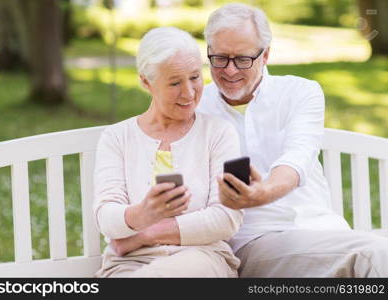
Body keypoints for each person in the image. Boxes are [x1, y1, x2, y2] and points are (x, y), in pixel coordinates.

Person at [197, 3, 388, 277]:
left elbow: (296, 159)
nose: (229, 70)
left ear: (265, 56)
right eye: (219, 58)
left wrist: (263, 192)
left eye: (242, 59)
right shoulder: (196, 107)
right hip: (256, 240)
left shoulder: (300, 92)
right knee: (376, 255)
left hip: (325, 232)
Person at [93, 26, 243, 278]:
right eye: (175, 82)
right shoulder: (115, 137)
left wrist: (143, 235)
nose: (189, 92)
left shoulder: (222, 133)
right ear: (146, 82)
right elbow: (105, 216)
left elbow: (229, 216)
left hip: (202, 259)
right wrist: (141, 214)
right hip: (128, 263)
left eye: (195, 77)